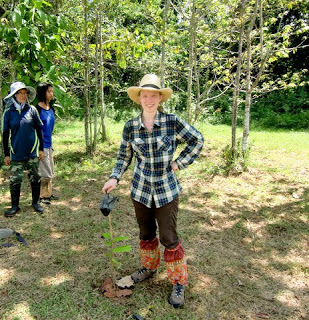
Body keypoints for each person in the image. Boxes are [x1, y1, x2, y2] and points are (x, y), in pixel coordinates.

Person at [102, 74, 204, 308]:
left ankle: (178, 282)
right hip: (140, 190)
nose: (149, 99)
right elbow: (124, 155)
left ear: (160, 98)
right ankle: (149, 267)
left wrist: (180, 162)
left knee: (169, 238)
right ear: (139, 98)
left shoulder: (172, 122)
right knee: (146, 233)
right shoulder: (130, 126)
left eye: (153, 95)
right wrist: (114, 177)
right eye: (145, 95)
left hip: (167, 190)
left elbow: (197, 140)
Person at [2, 81, 44, 217]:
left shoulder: (32, 110)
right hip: (16, 152)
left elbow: (39, 130)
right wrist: (6, 154)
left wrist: (41, 149)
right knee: (15, 179)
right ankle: (15, 206)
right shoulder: (8, 113)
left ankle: (36, 203)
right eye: (20, 93)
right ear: (14, 95)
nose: (23, 95)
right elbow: (5, 134)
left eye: (25, 93)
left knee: (35, 177)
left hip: (32, 151)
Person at [35, 83, 57, 203]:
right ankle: (42, 196)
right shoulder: (37, 109)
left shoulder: (51, 108)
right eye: (49, 91)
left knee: (51, 171)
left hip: (49, 144)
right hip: (41, 145)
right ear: (43, 92)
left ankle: (48, 193)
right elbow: (35, 130)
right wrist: (39, 148)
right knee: (45, 173)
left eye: (52, 92)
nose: (51, 94)